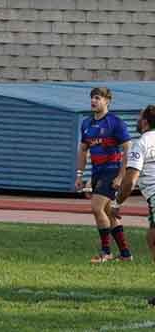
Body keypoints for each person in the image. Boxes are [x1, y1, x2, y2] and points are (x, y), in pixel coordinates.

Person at [75, 87, 132, 263]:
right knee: (108, 213)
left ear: (107, 101)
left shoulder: (115, 122)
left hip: (111, 171)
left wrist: (121, 176)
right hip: (97, 172)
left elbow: (127, 148)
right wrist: (79, 174)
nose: (93, 101)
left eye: (97, 98)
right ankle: (125, 254)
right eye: (92, 97)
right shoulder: (86, 123)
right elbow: (83, 150)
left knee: (96, 208)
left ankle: (106, 252)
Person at [112, 106, 155, 304]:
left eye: (139, 118)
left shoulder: (143, 142)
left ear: (145, 122)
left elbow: (129, 181)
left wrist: (117, 202)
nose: (137, 121)